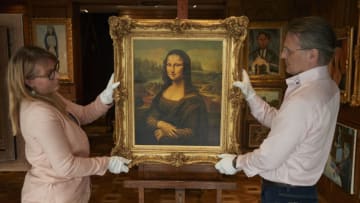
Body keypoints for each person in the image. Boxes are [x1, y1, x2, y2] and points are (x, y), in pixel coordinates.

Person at [215, 16, 340, 202]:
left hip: (285, 195)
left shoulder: (304, 99)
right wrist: (251, 96)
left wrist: (236, 163)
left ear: (312, 55)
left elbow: (269, 157)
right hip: (300, 192)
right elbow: (282, 122)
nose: (282, 55)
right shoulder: (328, 87)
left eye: (288, 50)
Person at [6, 46, 131, 203]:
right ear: (29, 81)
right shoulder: (39, 114)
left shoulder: (50, 96)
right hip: (52, 196)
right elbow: (66, 166)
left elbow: (84, 115)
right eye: (50, 74)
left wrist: (105, 98)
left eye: (55, 69)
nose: (57, 75)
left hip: (67, 191)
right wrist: (107, 163)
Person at [145, 49, 208, 145]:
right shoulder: (162, 92)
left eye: (177, 65)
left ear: (185, 68)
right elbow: (150, 118)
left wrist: (165, 132)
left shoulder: (193, 99)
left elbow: (193, 132)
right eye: (169, 65)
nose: (172, 70)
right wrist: (161, 124)